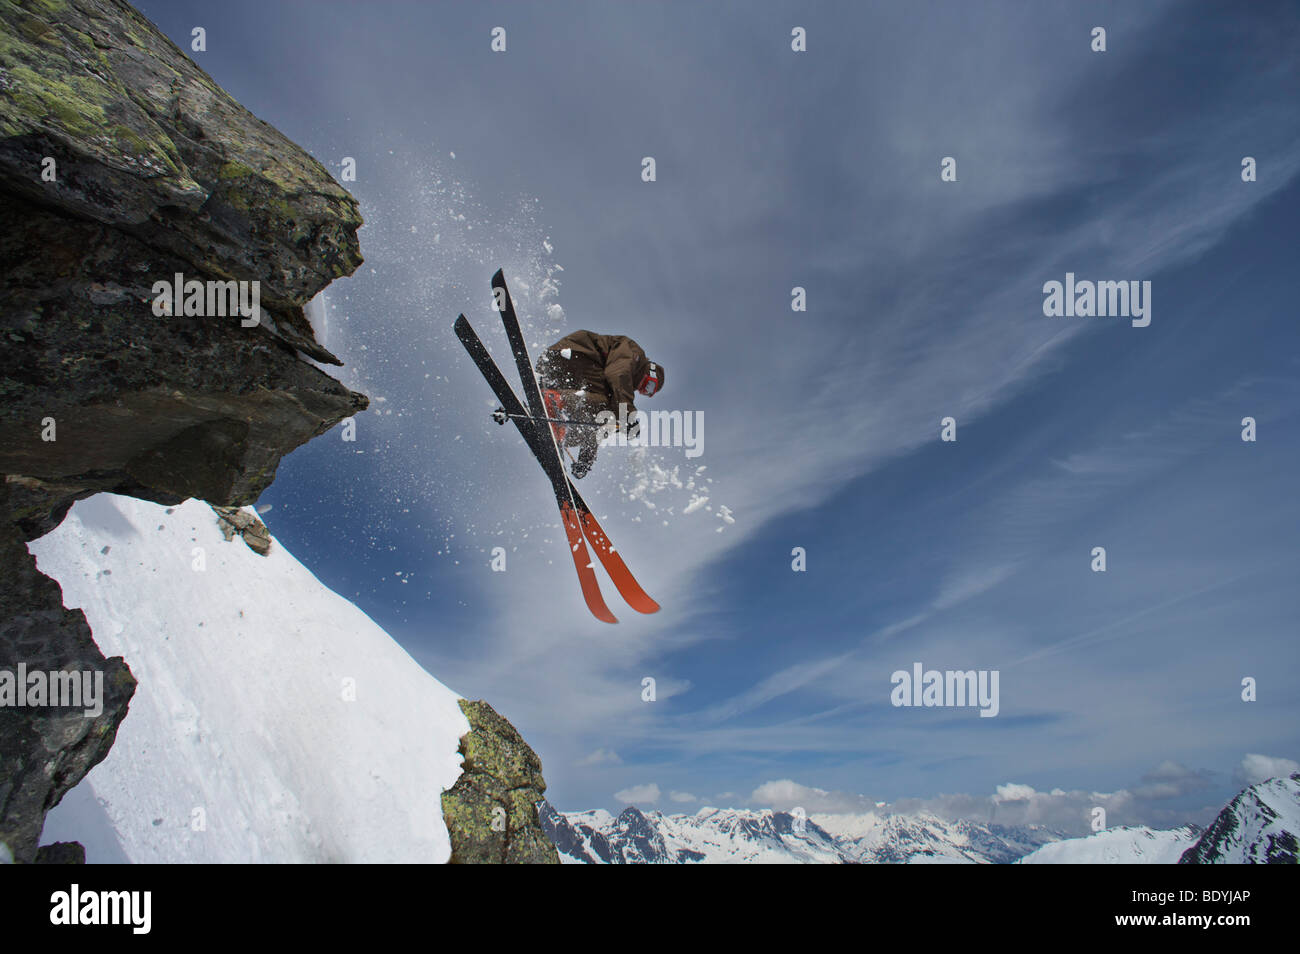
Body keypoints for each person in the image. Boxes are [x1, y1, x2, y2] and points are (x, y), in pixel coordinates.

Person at [534, 330, 664, 478]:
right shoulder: (634, 354)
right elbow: (618, 375)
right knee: (606, 407)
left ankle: (560, 429)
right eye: (649, 386)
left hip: (560, 377)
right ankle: (556, 400)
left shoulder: (616, 393)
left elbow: (598, 425)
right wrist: (628, 417)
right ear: (650, 372)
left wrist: (585, 461)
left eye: (648, 393)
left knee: (600, 419)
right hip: (572, 356)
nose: (643, 390)